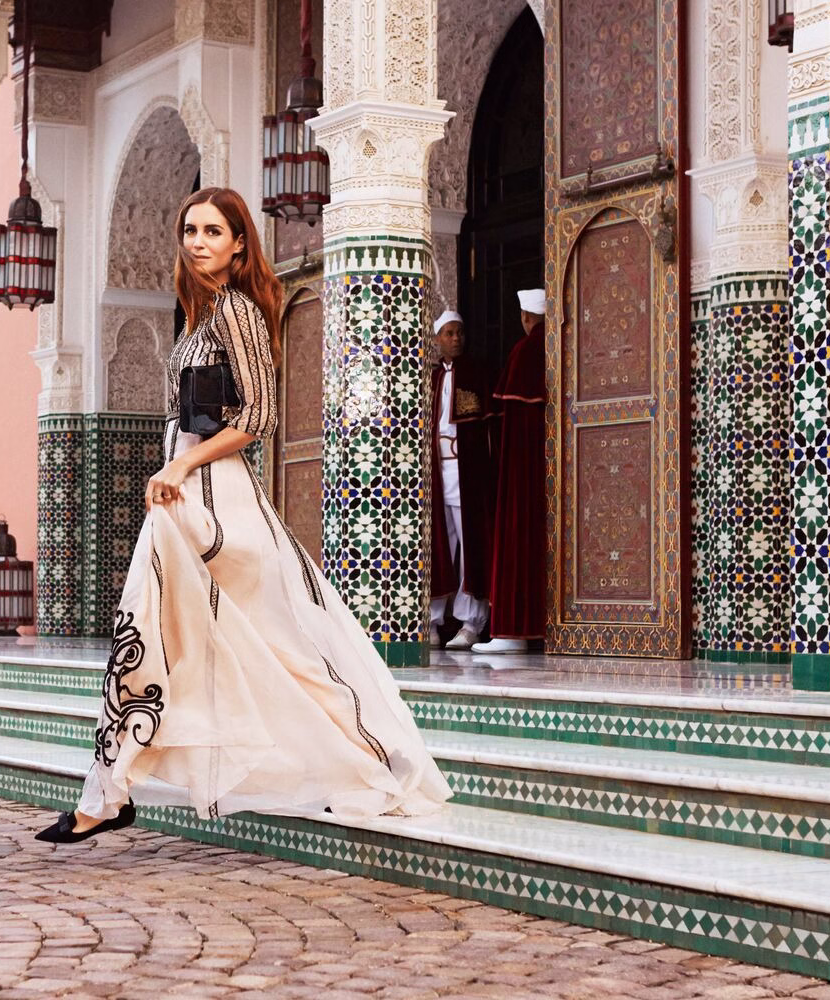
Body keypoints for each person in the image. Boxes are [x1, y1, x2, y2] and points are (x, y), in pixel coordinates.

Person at [35, 187, 452, 844]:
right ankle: (107, 789)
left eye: (212, 231)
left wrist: (178, 468)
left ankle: (367, 762)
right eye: (189, 229)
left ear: (237, 244)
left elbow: (257, 419)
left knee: (255, 648)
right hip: (188, 496)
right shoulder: (203, 317)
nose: (198, 241)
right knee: (167, 637)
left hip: (209, 501)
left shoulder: (237, 313)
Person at [472, 288, 548, 655]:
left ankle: (512, 632)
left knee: (517, 532)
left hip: (523, 466)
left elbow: (510, 419)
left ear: (525, 317)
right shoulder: (561, 344)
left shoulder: (524, 350)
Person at [428, 310, 493, 651]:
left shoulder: (477, 373)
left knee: (470, 546)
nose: (456, 339)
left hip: (467, 471)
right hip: (438, 472)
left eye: (460, 333)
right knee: (440, 544)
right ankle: (433, 620)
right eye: (449, 333)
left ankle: (471, 622)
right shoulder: (432, 378)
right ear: (437, 338)